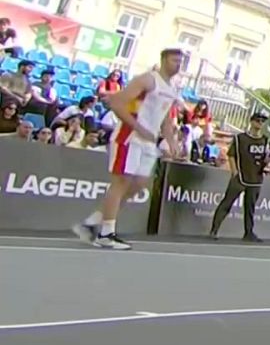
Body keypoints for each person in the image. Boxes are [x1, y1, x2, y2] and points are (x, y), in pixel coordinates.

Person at [72, 47, 185, 250]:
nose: (177, 65)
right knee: (121, 182)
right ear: (163, 59)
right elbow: (117, 103)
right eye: (174, 60)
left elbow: (166, 117)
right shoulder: (147, 80)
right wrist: (139, 128)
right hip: (129, 136)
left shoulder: (172, 88)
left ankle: (91, 223)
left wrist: (172, 141)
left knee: (139, 184)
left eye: (180, 61)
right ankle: (107, 233)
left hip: (149, 141)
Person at [209, 110, 270, 242]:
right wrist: (234, 172)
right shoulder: (240, 139)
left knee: (250, 207)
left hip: (256, 178)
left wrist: (267, 163)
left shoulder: (265, 140)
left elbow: (265, 159)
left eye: (262, 121)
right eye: (257, 120)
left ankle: (249, 232)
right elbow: (231, 155)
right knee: (227, 203)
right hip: (240, 176)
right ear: (252, 121)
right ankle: (214, 229)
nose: (259, 123)